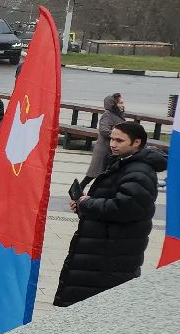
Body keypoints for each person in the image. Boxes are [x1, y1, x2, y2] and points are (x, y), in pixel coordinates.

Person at [54, 120, 164, 308]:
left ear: (136, 142)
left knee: (96, 309)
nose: (112, 144)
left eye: (119, 141)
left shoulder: (140, 171)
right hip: (100, 249)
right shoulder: (123, 163)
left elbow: (124, 208)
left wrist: (87, 203)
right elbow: (111, 204)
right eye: (112, 139)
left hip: (112, 255)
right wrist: (83, 206)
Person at [84, 93, 127, 181]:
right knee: (94, 174)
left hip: (112, 149)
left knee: (106, 175)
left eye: (123, 103)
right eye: (120, 103)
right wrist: (119, 136)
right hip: (104, 148)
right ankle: (80, 189)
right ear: (114, 104)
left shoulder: (118, 115)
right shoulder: (108, 115)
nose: (123, 105)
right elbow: (104, 130)